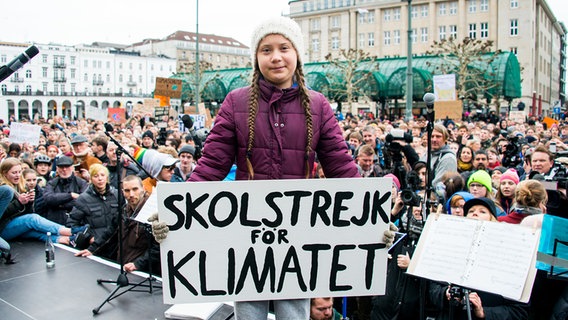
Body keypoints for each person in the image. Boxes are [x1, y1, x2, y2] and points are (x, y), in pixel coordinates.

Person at [149, 16, 395, 320]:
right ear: (256, 58)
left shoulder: (318, 107)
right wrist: (176, 210)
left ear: (297, 54)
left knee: (294, 313)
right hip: (247, 236)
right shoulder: (235, 102)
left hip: (298, 237)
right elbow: (212, 165)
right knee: (249, 313)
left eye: (284, 48)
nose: (276, 57)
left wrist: (373, 216)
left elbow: (342, 168)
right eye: (266, 50)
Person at [427, 197, 530, 320]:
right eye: (471, 211)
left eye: (482, 211)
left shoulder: (508, 254)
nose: (475, 213)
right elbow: (433, 289)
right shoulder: (451, 248)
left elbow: (519, 311)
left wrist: (483, 312)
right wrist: (445, 294)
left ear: (492, 219)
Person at [75, 175, 161, 275]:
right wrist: (92, 249)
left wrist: (138, 264)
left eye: (135, 189)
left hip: (145, 272)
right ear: (123, 192)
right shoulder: (124, 211)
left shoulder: (153, 212)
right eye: (127, 191)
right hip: (123, 266)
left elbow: (158, 247)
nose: (131, 194)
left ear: (143, 188)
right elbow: (109, 233)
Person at [0, 158, 84, 246]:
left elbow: (24, 213)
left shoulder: (20, 186)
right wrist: (19, 203)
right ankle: (71, 231)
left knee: (33, 231)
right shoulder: (3, 190)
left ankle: (68, 239)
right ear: (5, 173)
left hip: (11, 225)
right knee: (32, 219)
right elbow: (3, 214)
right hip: (2, 228)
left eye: (19, 172)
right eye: (14, 173)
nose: (17, 175)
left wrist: (29, 202)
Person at [67, 164, 119, 259]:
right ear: (91, 178)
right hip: (96, 247)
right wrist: (88, 237)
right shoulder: (83, 199)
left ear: (107, 177)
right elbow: (72, 223)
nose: (100, 179)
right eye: (96, 176)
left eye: (102, 175)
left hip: (116, 245)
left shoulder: (116, 194)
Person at [42, 156, 88, 225]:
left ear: (72, 168)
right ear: (57, 168)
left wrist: (59, 204)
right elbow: (48, 199)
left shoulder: (81, 183)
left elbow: (83, 201)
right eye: (61, 167)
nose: (64, 169)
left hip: (77, 223)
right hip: (55, 223)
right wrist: (70, 195)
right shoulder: (52, 183)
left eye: (67, 167)